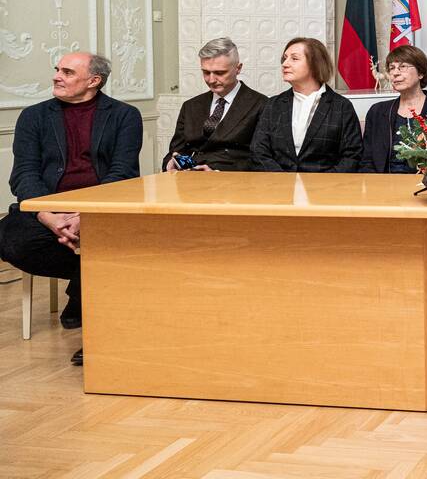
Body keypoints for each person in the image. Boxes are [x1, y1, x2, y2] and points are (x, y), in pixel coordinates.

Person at [1, 52, 142, 366]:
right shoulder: (33, 116)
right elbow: (23, 174)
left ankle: (98, 337)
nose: (56, 76)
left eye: (67, 71)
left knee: (123, 243)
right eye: (57, 69)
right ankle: (82, 291)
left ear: (94, 81)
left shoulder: (124, 115)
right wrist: (50, 218)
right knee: (11, 241)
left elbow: (123, 173)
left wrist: (86, 215)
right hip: (45, 207)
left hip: (102, 208)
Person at [251, 38, 362, 172]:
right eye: (284, 58)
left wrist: (323, 186)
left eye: (294, 59)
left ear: (315, 64)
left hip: (326, 189)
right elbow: (258, 151)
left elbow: (352, 155)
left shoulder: (341, 106)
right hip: (278, 187)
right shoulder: (273, 104)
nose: (285, 64)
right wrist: (282, 181)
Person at [163, 37, 266, 172]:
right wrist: (171, 163)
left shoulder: (261, 105)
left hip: (234, 186)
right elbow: (176, 150)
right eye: (206, 72)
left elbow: (262, 159)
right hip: (190, 183)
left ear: (238, 68)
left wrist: (217, 172)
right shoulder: (190, 106)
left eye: (220, 73)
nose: (211, 80)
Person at [361, 45, 427, 173]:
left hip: (425, 186)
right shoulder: (377, 111)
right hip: (383, 187)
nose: (395, 73)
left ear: (421, 73)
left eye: (402, 67)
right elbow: (367, 161)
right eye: (391, 68)